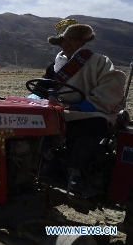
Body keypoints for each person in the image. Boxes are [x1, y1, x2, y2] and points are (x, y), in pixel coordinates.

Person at [38, 19, 126, 193]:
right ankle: (43, 162)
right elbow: (42, 88)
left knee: (95, 124)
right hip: (58, 110)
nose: (66, 43)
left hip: (90, 110)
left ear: (81, 41)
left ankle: (75, 172)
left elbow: (111, 85)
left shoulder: (99, 61)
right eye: (63, 40)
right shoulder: (54, 66)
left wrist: (83, 106)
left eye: (71, 39)